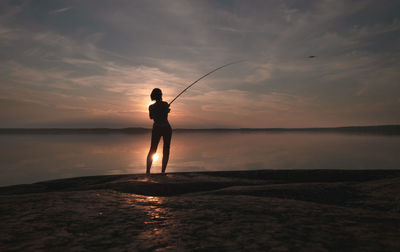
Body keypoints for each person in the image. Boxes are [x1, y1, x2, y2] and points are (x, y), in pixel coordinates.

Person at [146, 88, 172, 175]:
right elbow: (165, 114)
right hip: (166, 128)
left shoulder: (151, 107)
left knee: (153, 149)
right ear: (161, 95)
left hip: (157, 128)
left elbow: (151, 117)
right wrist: (166, 110)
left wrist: (161, 112)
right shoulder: (165, 104)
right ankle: (163, 171)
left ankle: (148, 171)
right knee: (166, 149)